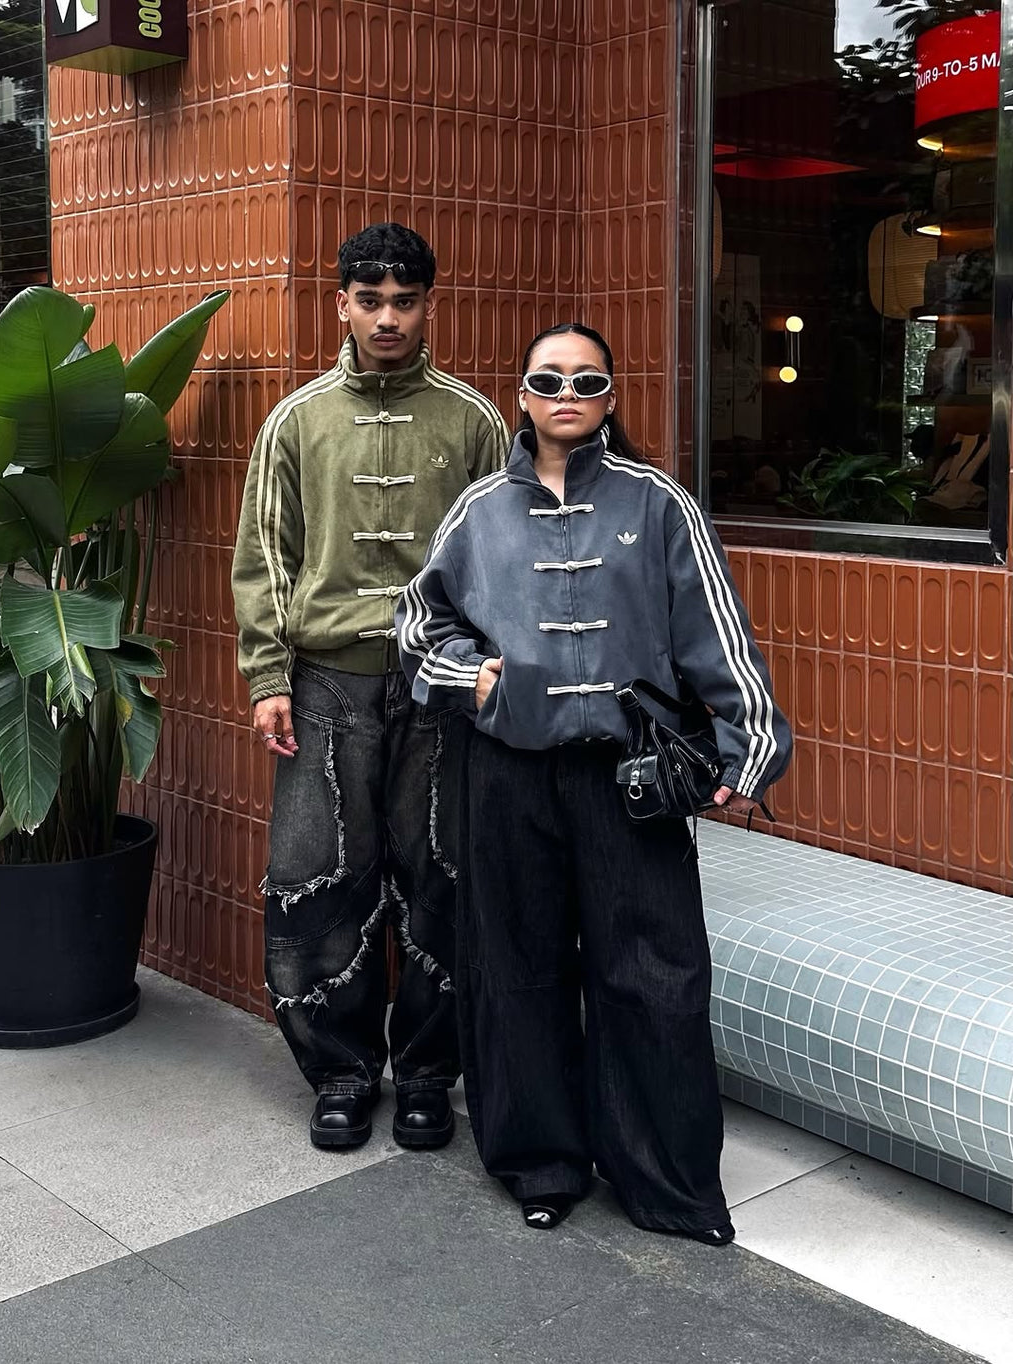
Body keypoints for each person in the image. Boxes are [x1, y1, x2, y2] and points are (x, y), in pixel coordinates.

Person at [396, 323, 791, 1240]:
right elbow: (418, 624)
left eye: (586, 379)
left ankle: (669, 1186)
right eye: (547, 378)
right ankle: (541, 1163)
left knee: (654, 974)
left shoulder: (661, 505)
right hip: (506, 773)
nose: (565, 392)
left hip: (632, 773)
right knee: (514, 969)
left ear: (611, 397)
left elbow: (718, 634)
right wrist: (474, 675)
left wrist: (751, 746)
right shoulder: (477, 512)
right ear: (522, 397)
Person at [231, 223, 508, 1152]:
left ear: (432, 304)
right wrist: (267, 674)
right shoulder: (296, 421)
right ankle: (343, 1073)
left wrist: (488, 674)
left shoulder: (473, 420)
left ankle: (429, 1074)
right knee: (317, 878)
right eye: (371, 299)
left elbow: (502, 558)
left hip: (442, 692)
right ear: (340, 301)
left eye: (406, 300)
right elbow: (266, 552)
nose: (388, 318)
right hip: (326, 689)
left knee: (444, 876)